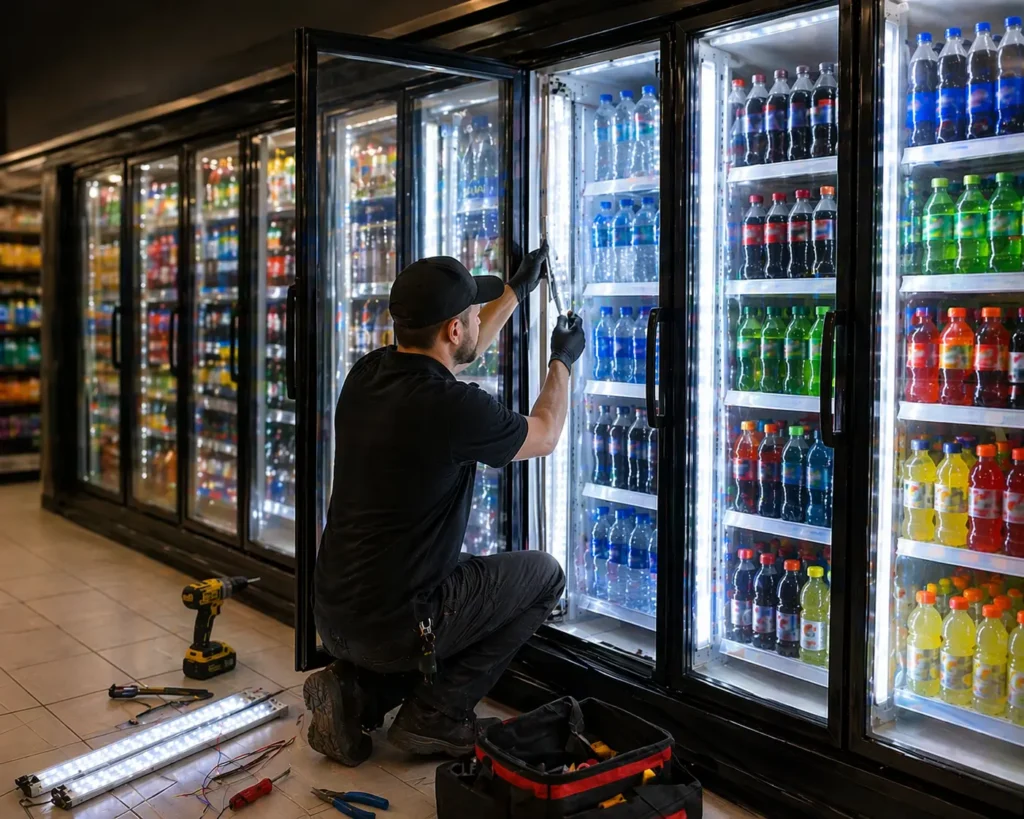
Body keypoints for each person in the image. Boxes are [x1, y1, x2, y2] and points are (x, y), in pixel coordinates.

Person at [305, 243, 585, 766]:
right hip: (397, 626)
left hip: (333, 614)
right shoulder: (454, 409)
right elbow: (545, 435)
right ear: (454, 329)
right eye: (473, 314)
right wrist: (561, 361)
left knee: (438, 577)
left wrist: (516, 293)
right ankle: (435, 714)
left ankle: (358, 694)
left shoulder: (365, 375)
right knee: (543, 575)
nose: (480, 319)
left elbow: (465, 346)